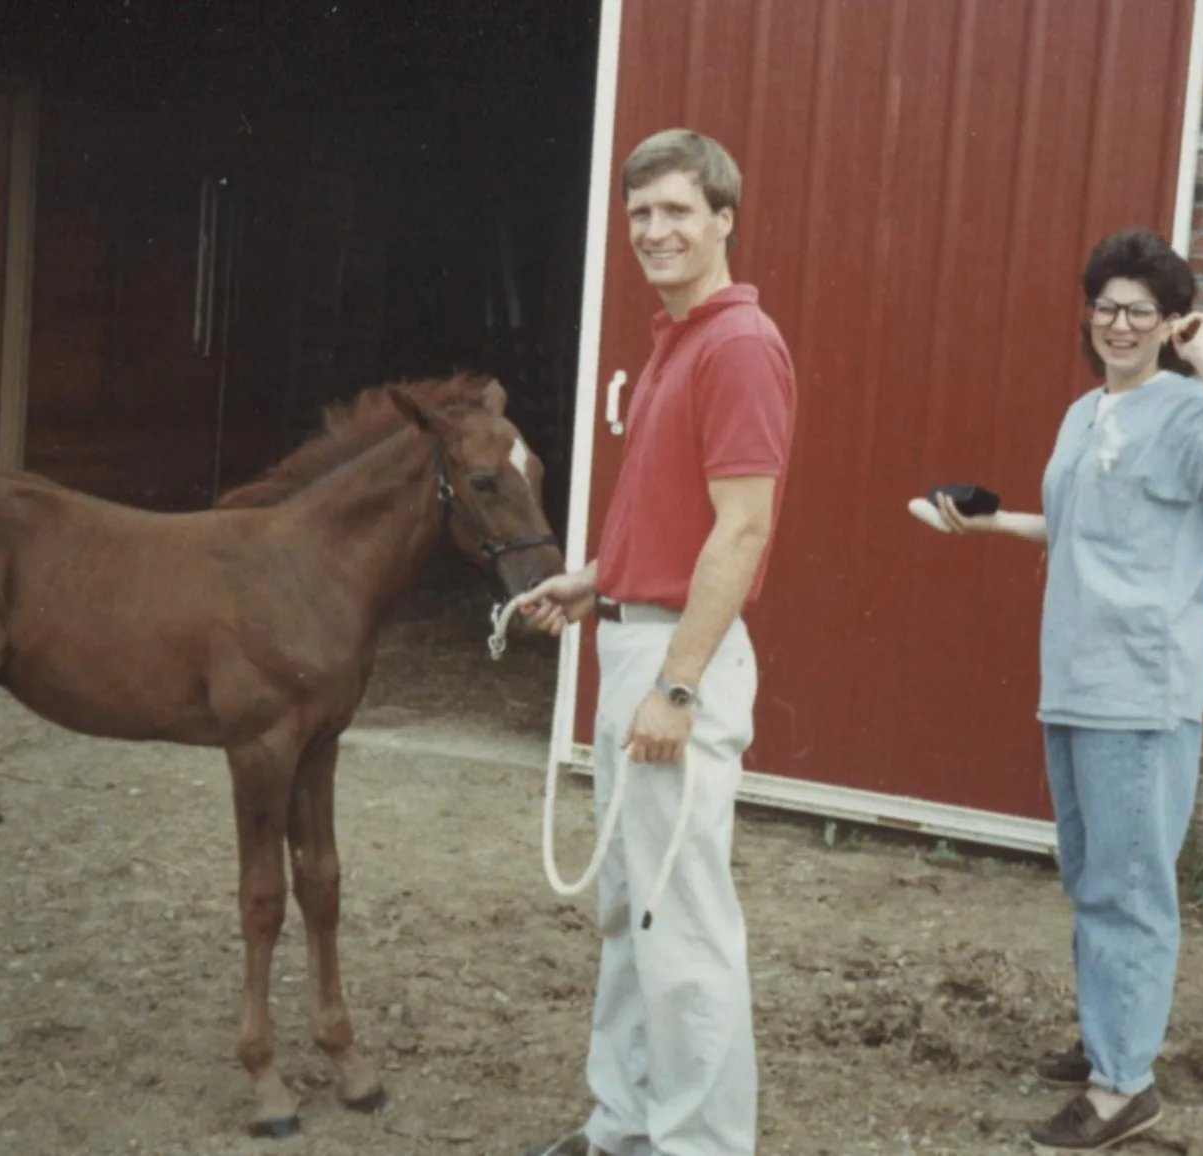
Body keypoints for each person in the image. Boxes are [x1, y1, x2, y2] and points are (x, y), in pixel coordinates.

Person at [931, 227, 1203, 1150]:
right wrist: (987, 524)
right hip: (1076, 680)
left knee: (1129, 890)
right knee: (1094, 879)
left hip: (1140, 686)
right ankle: (1107, 1040)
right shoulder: (1085, 413)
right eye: (1105, 307)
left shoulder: (1188, 410)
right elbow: (1080, 523)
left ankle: (1124, 1088)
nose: (1119, 324)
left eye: (1141, 311)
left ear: (1171, 322)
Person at [514, 128, 797, 1156]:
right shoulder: (678, 338)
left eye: (677, 209)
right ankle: (624, 1125)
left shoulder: (738, 346)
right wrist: (597, 578)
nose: (653, 229)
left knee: (681, 927)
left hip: (681, 661)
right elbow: (674, 512)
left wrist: (676, 689)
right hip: (635, 641)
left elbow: (743, 528)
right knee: (631, 910)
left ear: (724, 219)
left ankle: (700, 1144)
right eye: (639, 212)